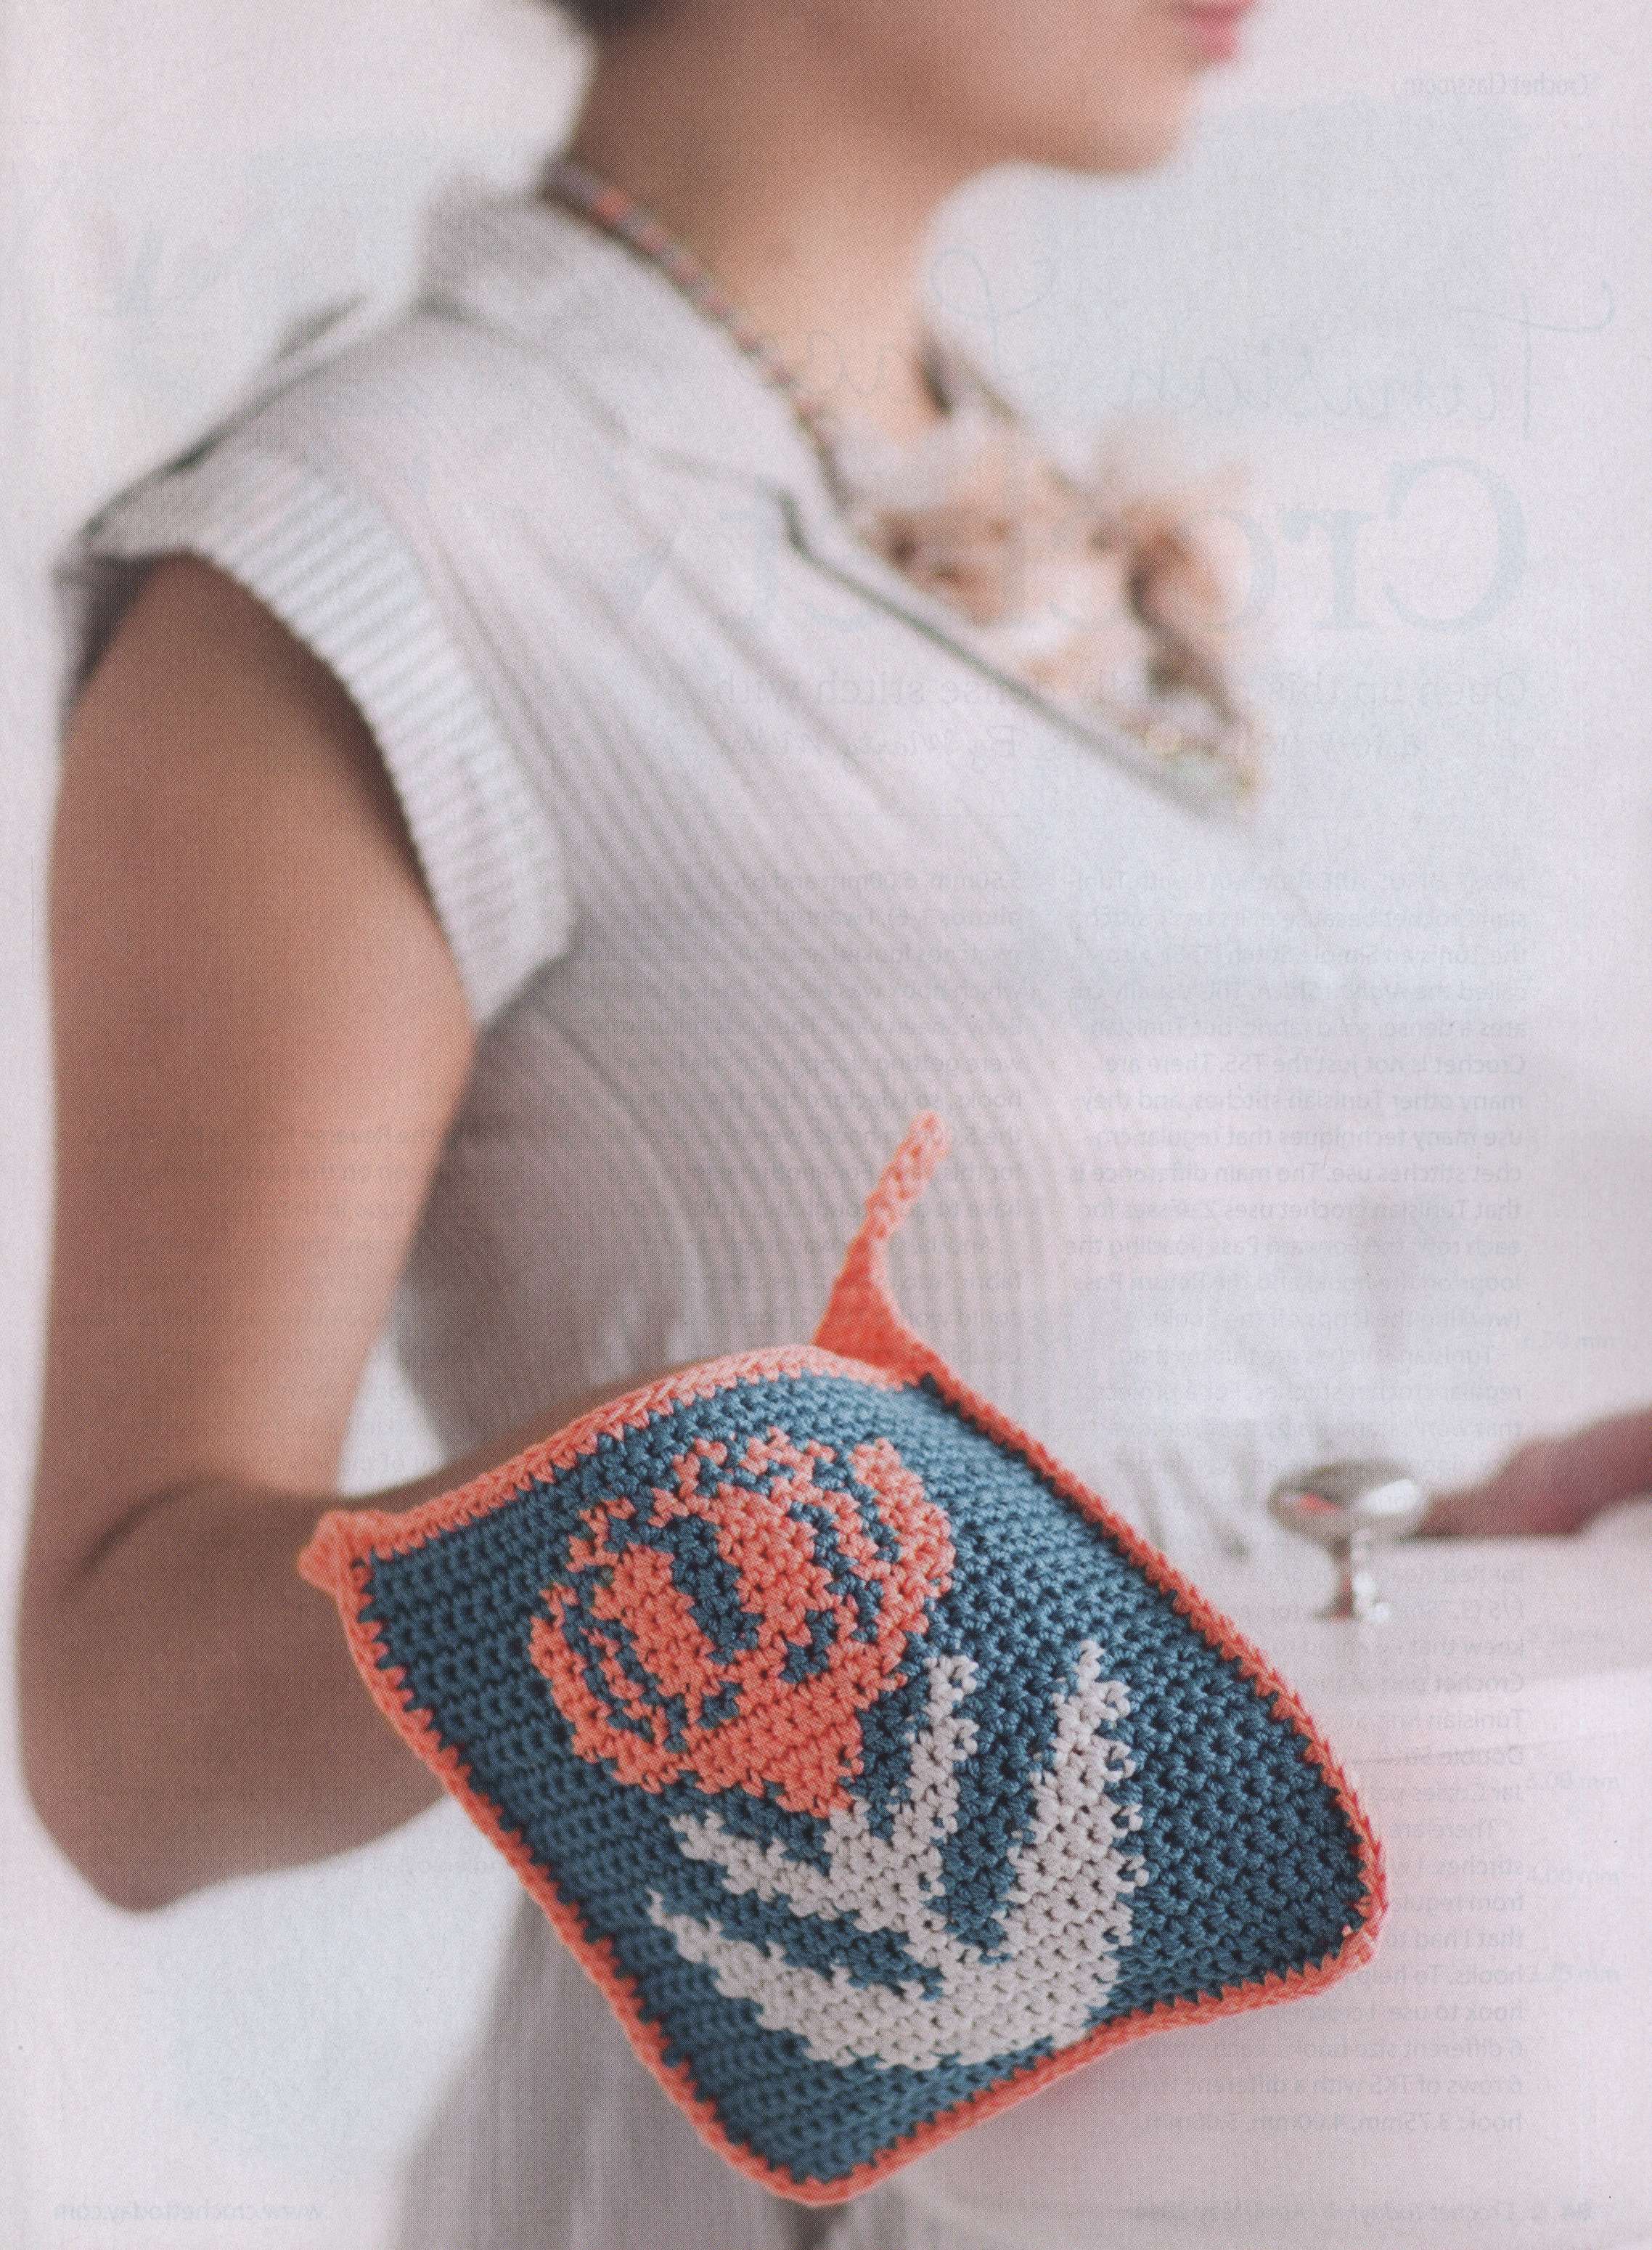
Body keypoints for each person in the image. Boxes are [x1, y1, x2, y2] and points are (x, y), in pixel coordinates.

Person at [20, 0, 1652, 2243]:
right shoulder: (377, 549)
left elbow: (1084, 1447)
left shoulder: (1009, 526)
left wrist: (1429, 1557)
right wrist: (659, 1512)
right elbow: (117, 1738)